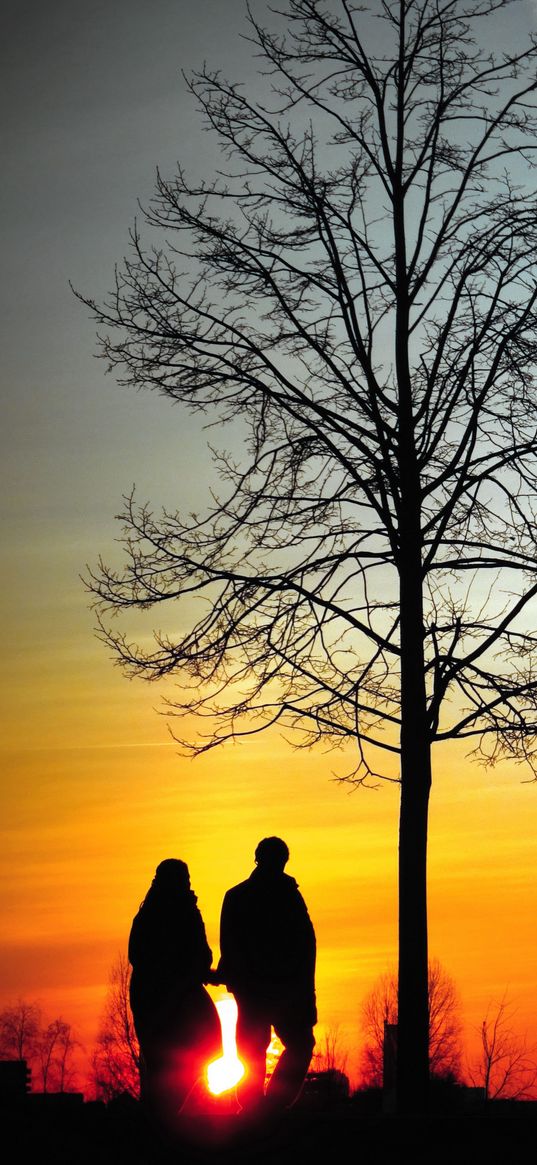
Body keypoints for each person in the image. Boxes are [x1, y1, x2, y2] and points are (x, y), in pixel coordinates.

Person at [217, 837, 316, 1114]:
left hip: (265, 988)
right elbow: (305, 944)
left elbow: (229, 944)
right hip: (279, 988)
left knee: (259, 1047)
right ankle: (264, 1106)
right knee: (285, 1045)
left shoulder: (239, 896)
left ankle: (259, 1106)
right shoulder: (287, 896)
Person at [128, 858, 221, 1124]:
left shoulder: (147, 914)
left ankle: (163, 1117)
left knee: (163, 1060)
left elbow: (137, 954)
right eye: (185, 879)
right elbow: (201, 955)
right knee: (193, 1049)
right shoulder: (185, 912)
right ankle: (164, 1119)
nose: (189, 884)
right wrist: (192, 972)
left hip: (152, 995)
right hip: (172, 996)